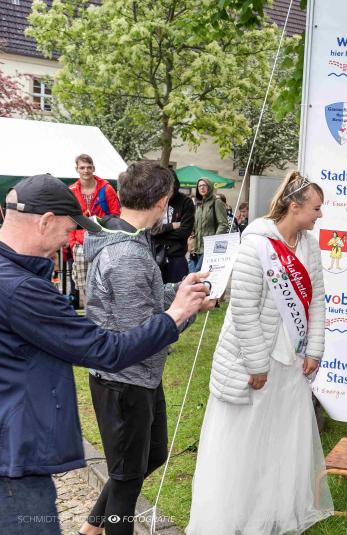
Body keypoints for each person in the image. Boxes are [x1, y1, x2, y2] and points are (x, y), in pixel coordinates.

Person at [0, 174, 208, 535]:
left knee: (139, 463)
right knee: (122, 478)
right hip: (16, 456)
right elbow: (107, 350)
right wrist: (177, 314)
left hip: (21, 444)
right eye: (68, 230)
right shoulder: (21, 289)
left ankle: (91, 527)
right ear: (45, 221)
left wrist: (177, 299)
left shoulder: (17, 276)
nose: (70, 241)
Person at [187, 171, 333, 534]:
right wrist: (256, 364)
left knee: (282, 438)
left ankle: (273, 511)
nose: (320, 215)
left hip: (292, 360)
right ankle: (236, 514)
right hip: (257, 360)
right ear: (295, 206)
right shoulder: (255, 244)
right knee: (245, 441)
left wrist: (314, 349)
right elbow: (244, 308)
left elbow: (316, 302)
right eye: (316, 208)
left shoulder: (310, 247)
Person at [78, 162, 215, 535]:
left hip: (139, 379)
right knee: (127, 478)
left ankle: (90, 528)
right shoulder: (128, 255)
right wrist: (186, 310)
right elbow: (142, 336)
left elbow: (147, 299)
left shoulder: (128, 238)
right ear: (162, 201)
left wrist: (182, 291)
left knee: (150, 456)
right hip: (124, 382)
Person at [68, 154, 121, 306]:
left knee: (104, 279)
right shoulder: (71, 191)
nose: (86, 171)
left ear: (94, 168)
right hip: (80, 242)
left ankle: (105, 312)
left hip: (102, 240)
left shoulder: (107, 189)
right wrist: (72, 242)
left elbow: (116, 215)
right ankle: (89, 313)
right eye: (82, 168)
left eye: (89, 167)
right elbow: (69, 218)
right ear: (77, 169)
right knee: (83, 283)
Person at [151, 170, 195, 283]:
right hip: (155, 256)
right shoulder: (155, 201)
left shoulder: (186, 202)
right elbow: (151, 230)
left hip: (176, 258)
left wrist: (159, 233)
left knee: (179, 291)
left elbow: (185, 231)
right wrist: (171, 226)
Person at [188, 177, 228, 273]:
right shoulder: (198, 204)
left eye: (204, 185)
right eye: (199, 186)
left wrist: (214, 240)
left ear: (209, 186)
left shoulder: (216, 202)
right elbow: (195, 225)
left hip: (208, 248)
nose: (202, 188)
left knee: (198, 274)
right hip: (196, 248)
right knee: (194, 275)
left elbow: (223, 224)